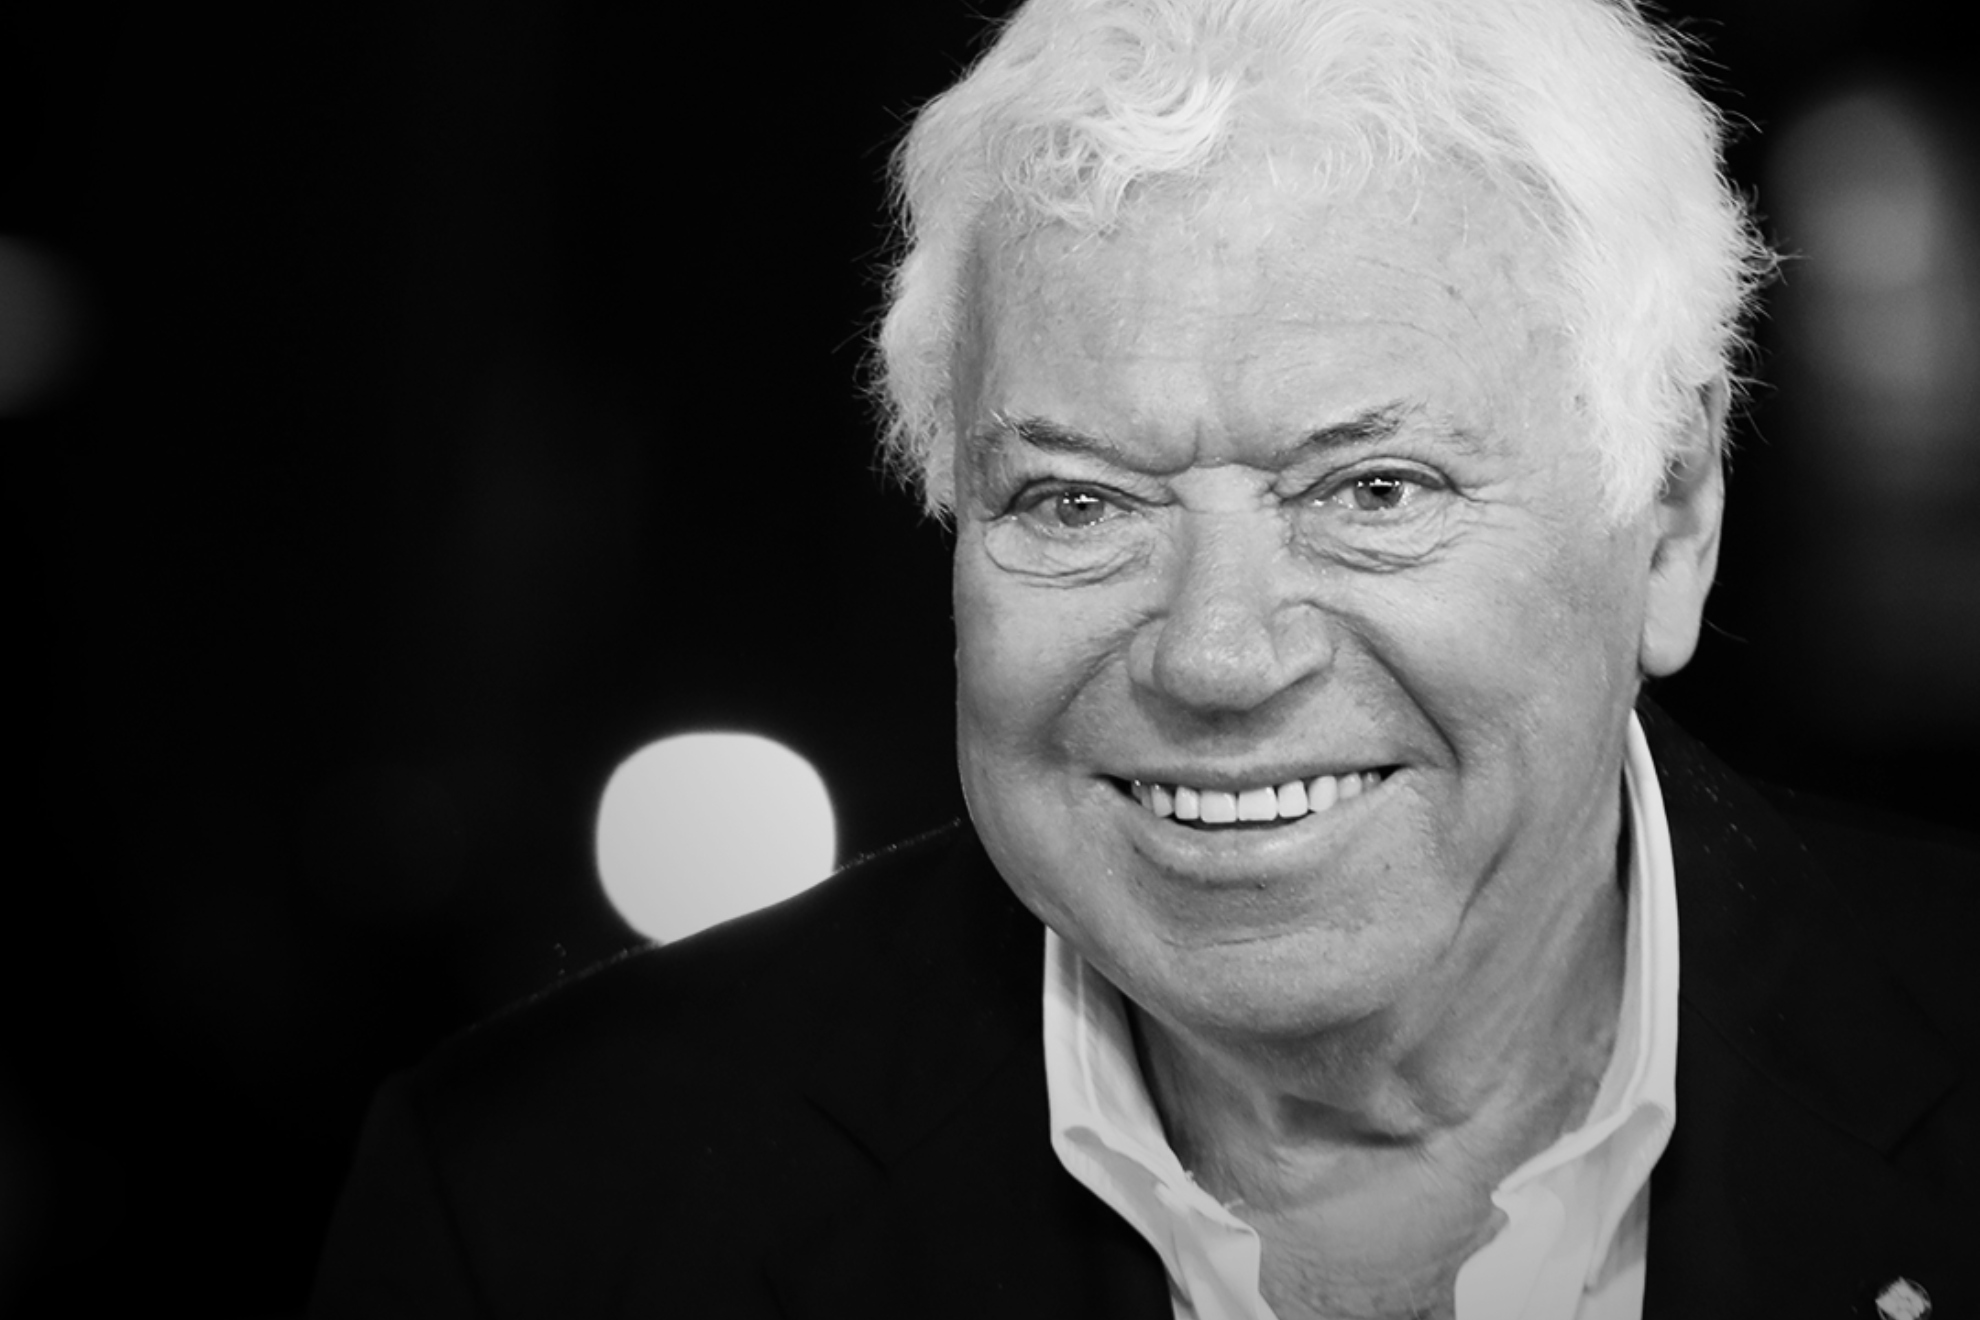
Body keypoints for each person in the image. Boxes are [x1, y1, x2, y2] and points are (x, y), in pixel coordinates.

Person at [307, 1, 1977, 1316]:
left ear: (1672, 515)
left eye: (1373, 491)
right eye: (1079, 501)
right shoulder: (539, 1219)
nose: (1217, 655)